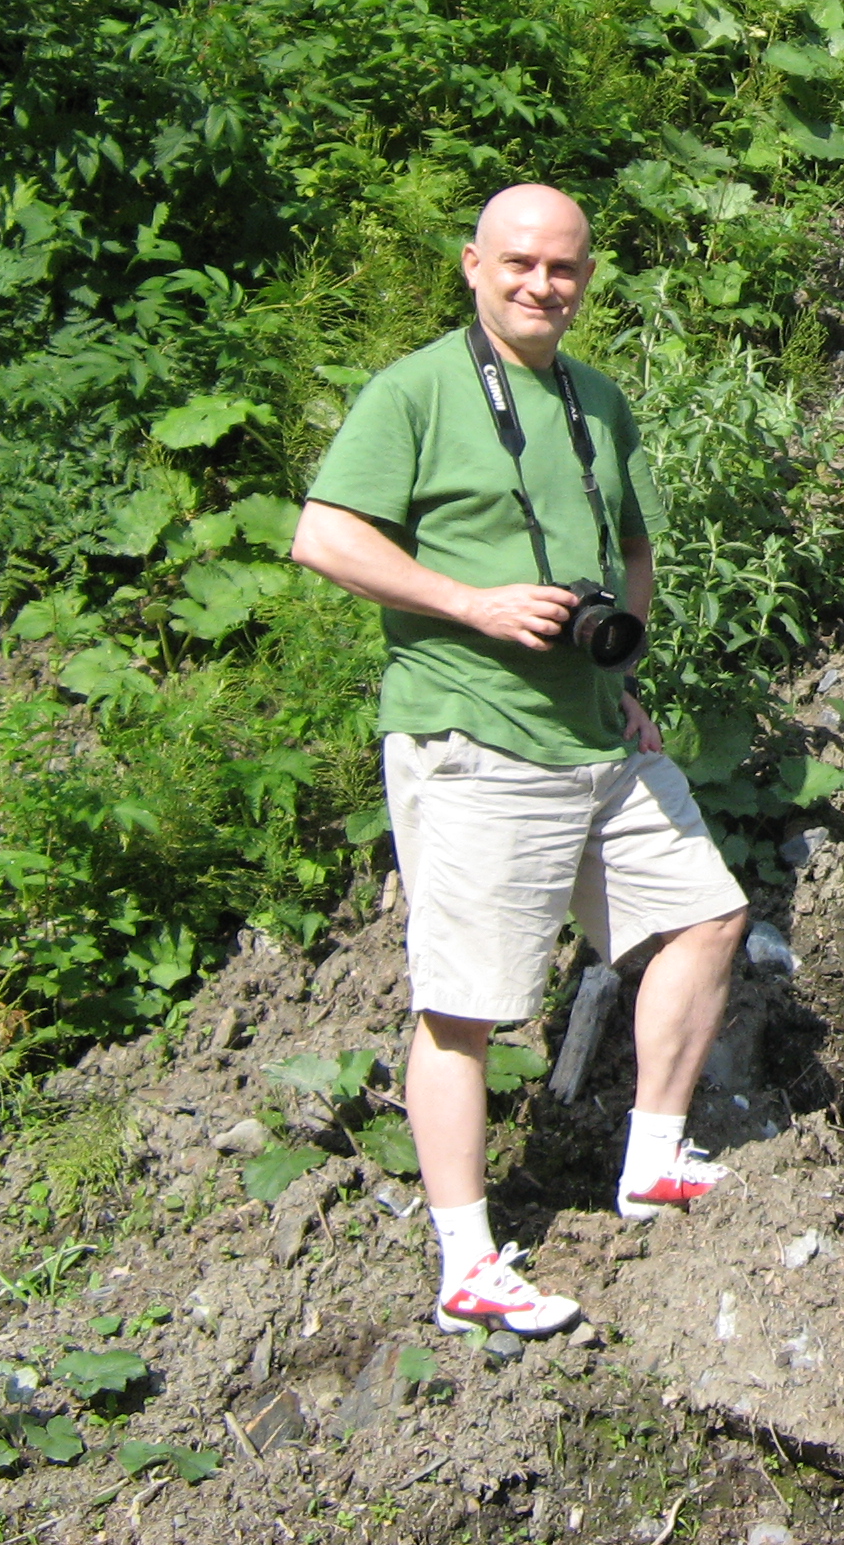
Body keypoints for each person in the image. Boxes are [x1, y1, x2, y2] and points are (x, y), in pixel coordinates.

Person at [291, 184, 748, 1337]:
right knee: (466, 1007)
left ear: (587, 276)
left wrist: (622, 668)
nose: (543, 284)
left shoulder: (598, 399)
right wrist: (470, 603)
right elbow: (323, 536)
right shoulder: (415, 391)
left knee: (706, 916)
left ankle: (653, 1159)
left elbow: (632, 547)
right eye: (520, 263)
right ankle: (467, 1266)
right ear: (473, 265)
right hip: (473, 732)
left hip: (595, 732)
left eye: (564, 267)